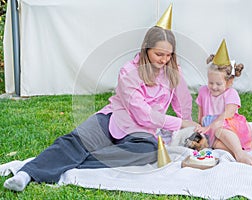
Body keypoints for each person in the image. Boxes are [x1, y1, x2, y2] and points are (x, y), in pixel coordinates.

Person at [4, 4, 200, 192]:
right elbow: (142, 113)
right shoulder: (129, 72)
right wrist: (179, 122)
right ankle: (27, 173)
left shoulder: (173, 71)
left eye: (168, 55)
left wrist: (187, 128)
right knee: (75, 140)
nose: (164, 60)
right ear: (146, 49)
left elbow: (182, 101)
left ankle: (62, 161)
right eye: (159, 54)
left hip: (142, 134)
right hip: (113, 119)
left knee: (147, 151)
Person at [194, 39, 252, 171]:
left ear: (229, 82)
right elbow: (200, 113)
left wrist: (211, 126)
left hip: (231, 128)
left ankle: (239, 154)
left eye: (218, 84)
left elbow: (227, 114)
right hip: (213, 132)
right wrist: (201, 127)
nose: (213, 87)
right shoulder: (203, 91)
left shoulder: (231, 93)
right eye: (211, 82)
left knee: (219, 129)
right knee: (214, 144)